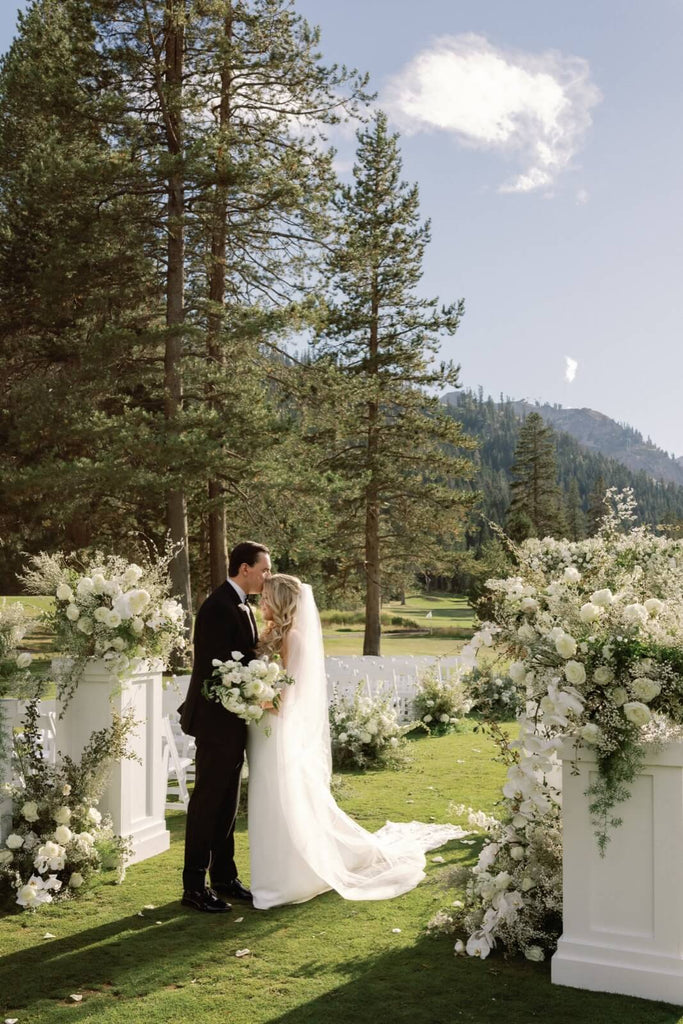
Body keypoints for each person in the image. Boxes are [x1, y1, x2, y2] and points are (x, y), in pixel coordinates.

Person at [247, 573, 465, 910]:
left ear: (280, 601)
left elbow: (292, 696)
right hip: (265, 732)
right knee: (272, 801)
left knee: (285, 801)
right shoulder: (273, 635)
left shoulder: (294, 639)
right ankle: (278, 875)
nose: (261, 603)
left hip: (279, 731)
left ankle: (291, 879)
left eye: (265, 598)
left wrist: (257, 699)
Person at [179, 540, 271, 912]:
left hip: (234, 720)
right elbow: (216, 670)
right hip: (216, 721)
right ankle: (193, 886)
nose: (267, 575)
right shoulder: (217, 606)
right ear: (244, 568)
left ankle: (224, 876)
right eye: (263, 569)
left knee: (228, 803)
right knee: (207, 802)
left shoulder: (243, 607)